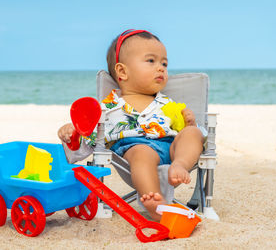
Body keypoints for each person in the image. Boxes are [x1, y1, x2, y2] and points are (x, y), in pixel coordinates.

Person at [58, 29, 205, 221]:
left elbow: (185, 135)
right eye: (151, 61)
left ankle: (180, 165)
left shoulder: (170, 105)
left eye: (164, 63)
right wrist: (73, 133)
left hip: (171, 150)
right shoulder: (108, 108)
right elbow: (89, 138)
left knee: (193, 133)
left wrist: (189, 125)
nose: (161, 68)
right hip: (134, 150)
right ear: (122, 71)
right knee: (142, 153)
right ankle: (154, 201)